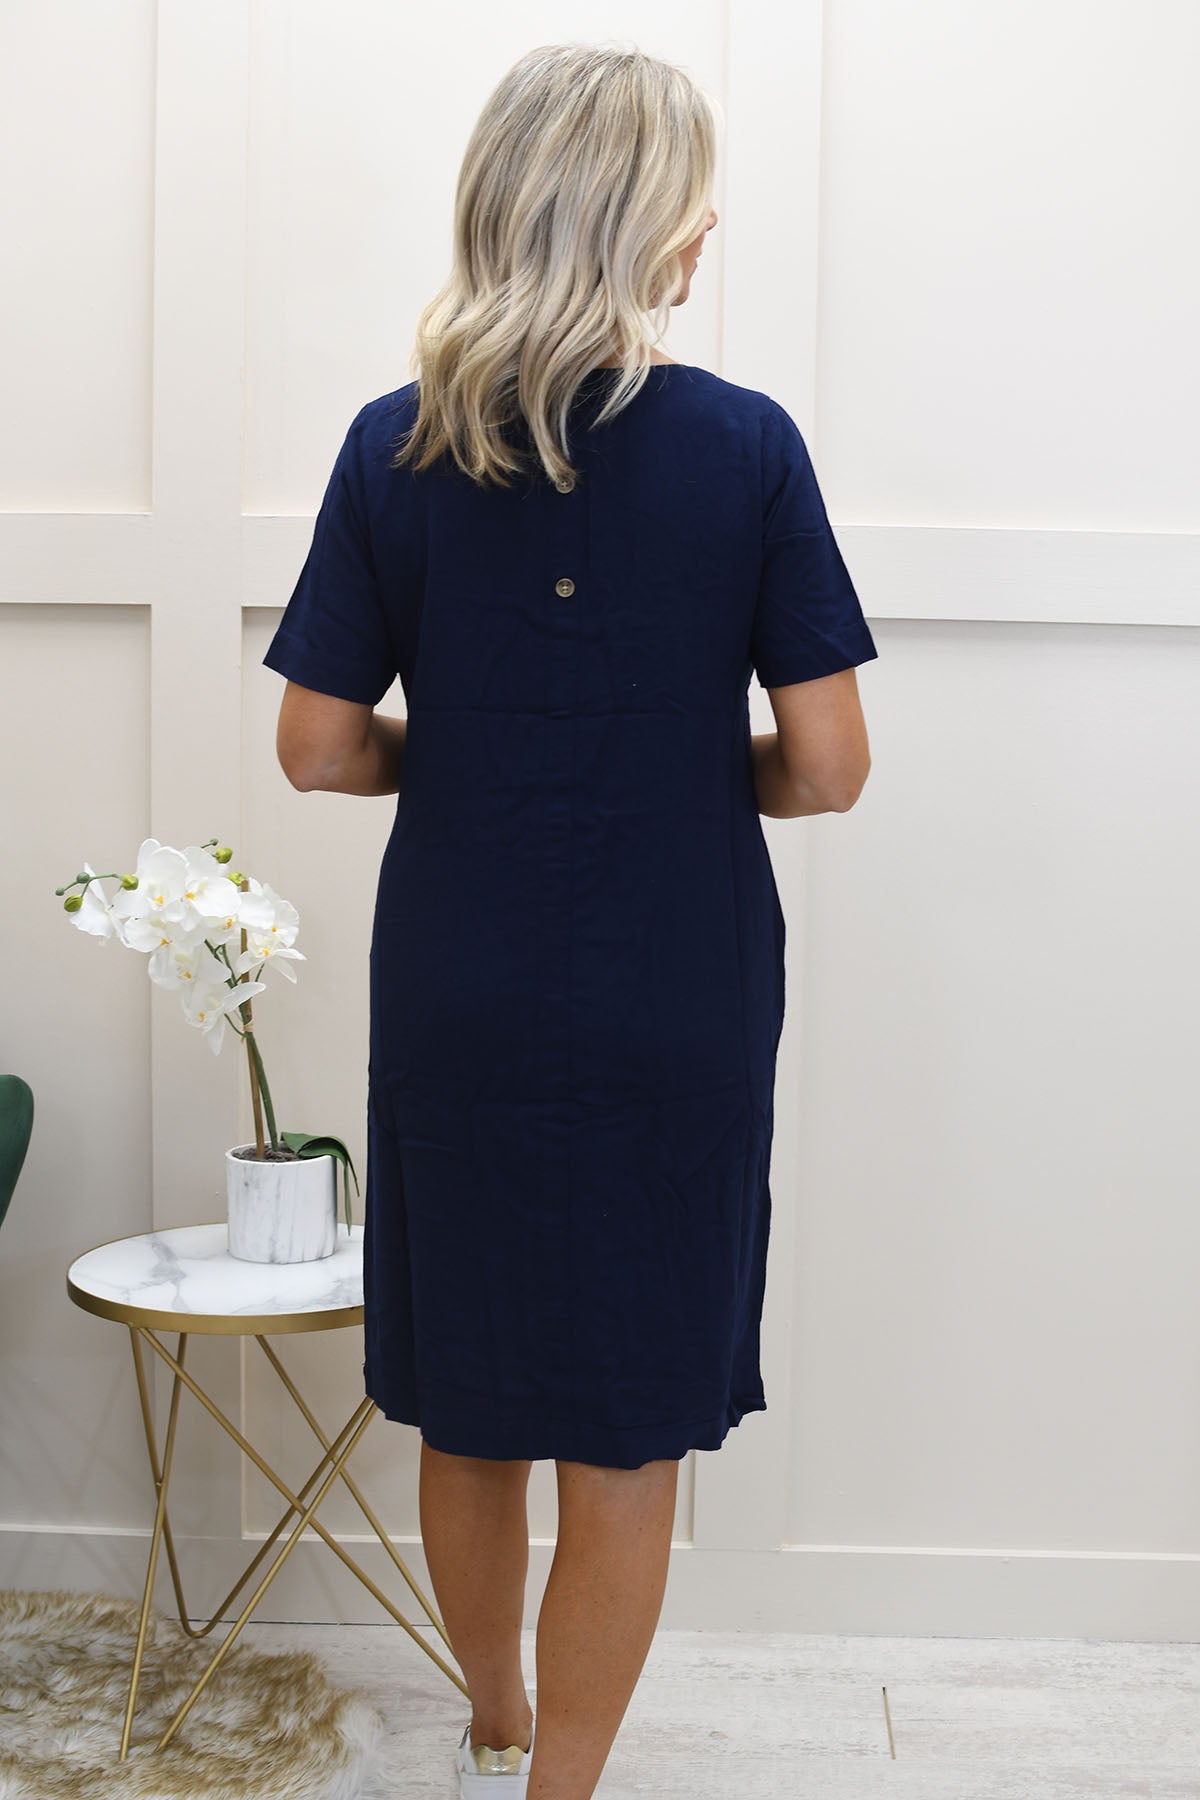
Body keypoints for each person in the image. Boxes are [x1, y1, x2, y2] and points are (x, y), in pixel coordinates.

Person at [262, 40, 878, 1800]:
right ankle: (563, 1791)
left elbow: (316, 746)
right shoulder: (746, 447)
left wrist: (474, 754)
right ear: (645, 222)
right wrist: (671, 764)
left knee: (472, 1403)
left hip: (460, 979)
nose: (709, 229)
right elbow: (829, 767)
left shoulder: (393, 444)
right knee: (625, 1424)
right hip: (675, 987)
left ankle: (492, 1732)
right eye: (696, 200)